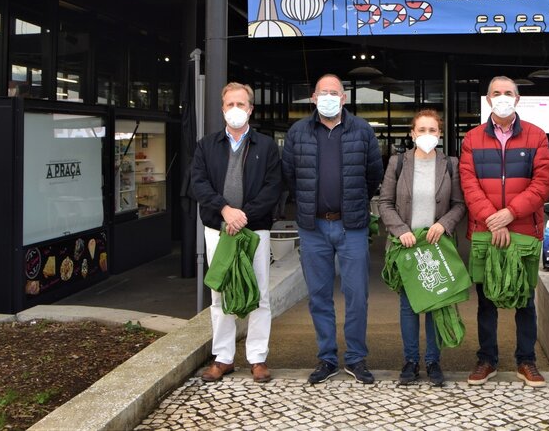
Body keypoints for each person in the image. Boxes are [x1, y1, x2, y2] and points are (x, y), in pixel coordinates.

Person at [281, 74, 383, 385]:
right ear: (313, 98)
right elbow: (290, 177)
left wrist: (353, 203)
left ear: (344, 98)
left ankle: (355, 357)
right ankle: (326, 359)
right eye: (323, 92)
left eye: (334, 92)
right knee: (319, 296)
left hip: (351, 225)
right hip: (313, 228)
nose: (328, 97)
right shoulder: (298, 132)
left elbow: (373, 174)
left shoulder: (362, 131)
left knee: (356, 295)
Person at [460, 76, 549, 388]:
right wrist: (492, 219)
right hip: (486, 231)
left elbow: (542, 184)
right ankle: (487, 359)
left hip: (525, 230)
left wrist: (510, 214)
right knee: (486, 299)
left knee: (524, 299)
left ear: (517, 98)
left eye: (508, 93)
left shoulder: (537, 136)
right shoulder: (472, 139)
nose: (502, 97)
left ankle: (526, 360)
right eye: (496, 93)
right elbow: (468, 184)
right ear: (488, 100)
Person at [191, 82, 283, 383]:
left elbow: (273, 188)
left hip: (254, 230)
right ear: (222, 109)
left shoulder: (266, 146)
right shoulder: (206, 145)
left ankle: (257, 358)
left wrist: (244, 215)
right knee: (219, 294)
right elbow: (198, 184)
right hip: (218, 229)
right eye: (230, 104)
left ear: (251, 109)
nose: (235, 110)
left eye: (241, 104)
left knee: (259, 293)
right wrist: (225, 210)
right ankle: (223, 357)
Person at [377, 109, 466, 387]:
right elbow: (385, 202)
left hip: (437, 244)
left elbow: (459, 204)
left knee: (436, 304)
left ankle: (433, 361)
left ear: (439, 134)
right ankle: (411, 361)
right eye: (422, 130)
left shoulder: (451, 164)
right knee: (409, 306)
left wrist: (444, 224)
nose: (427, 135)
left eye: (432, 130)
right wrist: (401, 230)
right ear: (412, 134)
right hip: (408, 245)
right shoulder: (398, 163)